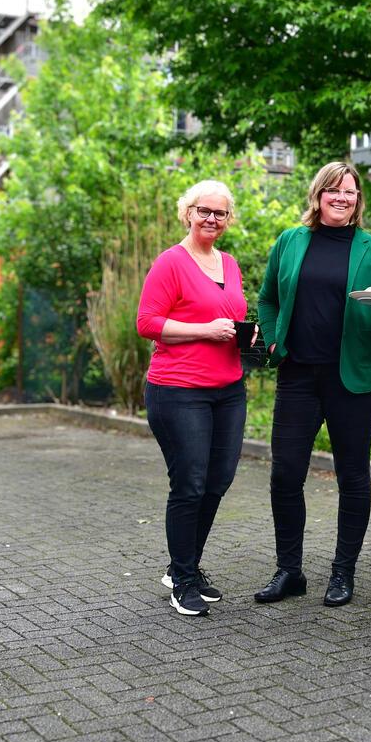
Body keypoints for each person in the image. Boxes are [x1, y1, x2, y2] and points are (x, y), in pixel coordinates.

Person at [255, 161, 371, 606]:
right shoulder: (290, 241)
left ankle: (343, 573)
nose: (342, 198)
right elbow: (267, 298)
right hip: (298, 374)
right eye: (334, 191)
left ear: (358, 201)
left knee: (353, 476)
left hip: (352, 378)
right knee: (285, 474)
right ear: (318, 195)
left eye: (351, 193)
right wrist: (274, 341)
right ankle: (289, 571)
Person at [136, 180, 252, 617]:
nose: (211, 219)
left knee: (218, 481)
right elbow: (147, 322)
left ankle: (183, 564)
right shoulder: (171, 262)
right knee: (190, 484)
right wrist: (206, 330)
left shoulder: (230, 264)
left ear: (228, 220)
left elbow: (232, 317)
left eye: (220, 213)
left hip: (228, 389)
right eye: (204, 210)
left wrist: (248, 335)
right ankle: (183, 578)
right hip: (178, 390)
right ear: (188, 212)